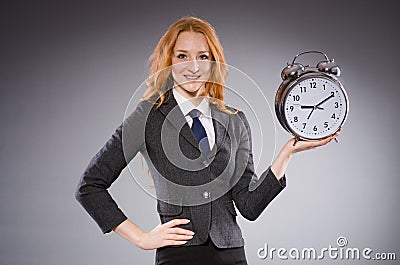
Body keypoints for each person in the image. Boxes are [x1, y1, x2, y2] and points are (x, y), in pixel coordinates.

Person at [75, 16, 339, 265]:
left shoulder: (234, 120)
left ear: (214, 62)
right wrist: (142, 238)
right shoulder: (147, 116)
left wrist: (286, 154)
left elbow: (249, 206)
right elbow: (90, 186)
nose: (194, 67)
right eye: (182, 56)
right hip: (179, 257)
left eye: (203, 56)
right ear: (168, 61)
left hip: (232, 254)